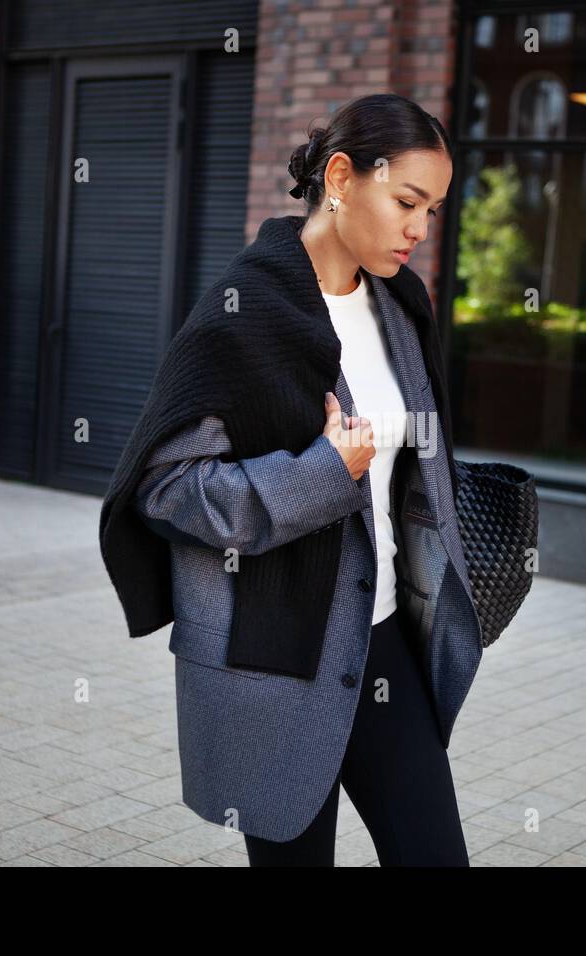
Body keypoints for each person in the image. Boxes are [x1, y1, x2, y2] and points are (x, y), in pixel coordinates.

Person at [99, 93, 483, 866]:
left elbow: (412, 459)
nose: (420, 229)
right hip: (274, 658)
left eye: (433, 210)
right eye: (407, 201)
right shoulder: (242, 312)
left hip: (379, 643)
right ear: (341, 176)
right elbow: (167, 490)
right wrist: (320, 477)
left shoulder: (401, 304)